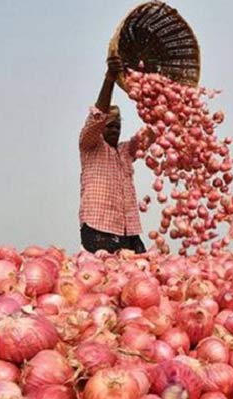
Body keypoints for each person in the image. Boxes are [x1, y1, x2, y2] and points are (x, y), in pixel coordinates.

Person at [78, 55, 155, 254]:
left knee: (140, 275)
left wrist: (164, 106)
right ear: (102, 127)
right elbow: (97, 115)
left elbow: (151, 134)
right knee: (108, 277)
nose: (115, 130)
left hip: (128, 230)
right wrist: (110, 78)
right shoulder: (90, 145)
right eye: (110, 125)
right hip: (99, 227)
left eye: (118, 126)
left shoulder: (125, 151)